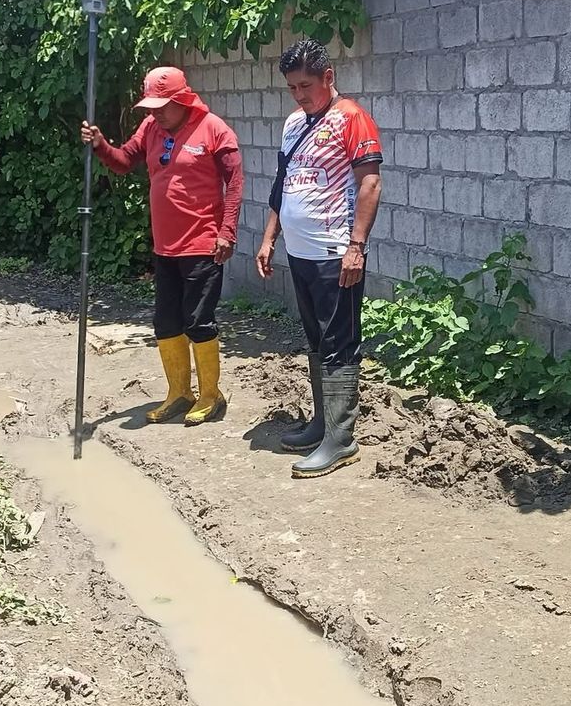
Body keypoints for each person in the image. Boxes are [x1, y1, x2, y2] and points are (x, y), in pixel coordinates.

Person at [82, 66, 243, 426]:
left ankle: (210, 395)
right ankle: (179, 393)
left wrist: (227, 231)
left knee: (198, 321)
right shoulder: (150, 128)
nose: (155, 113)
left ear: (182, 100)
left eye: (161, 107)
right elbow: (124, 162)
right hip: (165, 246)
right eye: (150, 107)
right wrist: (100, 145)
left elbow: (234, 182)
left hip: (203, 244)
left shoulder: (214, 130)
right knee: (166, 322)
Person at [255, 40, 383, 479]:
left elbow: (370, 185)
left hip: (335, 254)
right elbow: (282, 184)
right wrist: (269, 238)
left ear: (328, 77)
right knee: (316, 340)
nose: (299, 95)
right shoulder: (294, 123)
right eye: (292, 87)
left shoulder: (352, 118)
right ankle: (322, 424)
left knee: (339, 342)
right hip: (301, 253)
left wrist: (356, 247)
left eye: (305, 86)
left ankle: (341, 439)